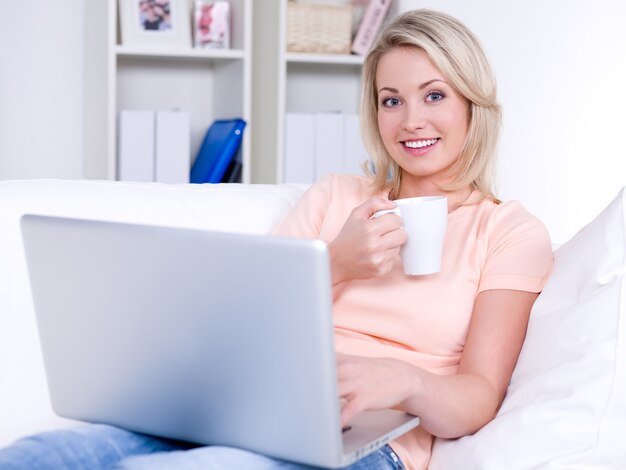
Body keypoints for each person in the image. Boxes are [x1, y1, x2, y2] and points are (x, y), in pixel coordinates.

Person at [0, 9, 553, 470]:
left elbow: (480, 395)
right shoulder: (337, 196)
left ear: (472, 104)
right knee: (44, 456)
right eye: (392, 100)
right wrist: (335, 261)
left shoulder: (508, 231)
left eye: (434, 96)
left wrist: (404, 381)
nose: (411, 120)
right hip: (242, 406)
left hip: (368, 441)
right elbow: (239, 324)